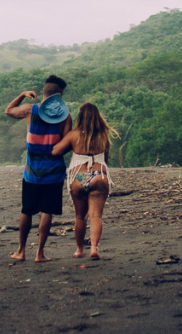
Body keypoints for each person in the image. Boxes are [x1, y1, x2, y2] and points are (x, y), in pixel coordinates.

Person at [4, 74, 72, 262]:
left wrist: (22, 94)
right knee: (47, 211)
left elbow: (8, 111)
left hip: (32, 171)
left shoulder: (30, 110)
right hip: (54, 171)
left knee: (27, 210)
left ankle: (21, 251)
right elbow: (66, 144)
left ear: (44, 91)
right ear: (60, 95)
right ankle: (40, 253)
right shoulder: (65, 117)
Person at [52, 102, 118, 260]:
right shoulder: (103, 135)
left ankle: (79, 249)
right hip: (98, 175)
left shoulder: (73, 135)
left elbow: (55, 151)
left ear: (80, 117)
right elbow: (105, 159)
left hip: (79, 177)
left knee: (80, 216)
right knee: (96, 216)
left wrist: (65, 138)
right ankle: (94, 248)